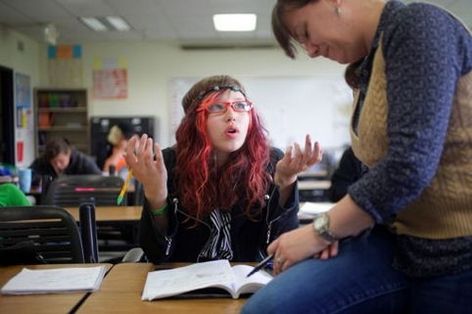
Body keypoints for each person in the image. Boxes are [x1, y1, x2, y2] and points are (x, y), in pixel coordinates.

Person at [243, 0, 472, 313]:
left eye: (306, 32)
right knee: (268, 308)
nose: (310, 51)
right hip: (395, 243)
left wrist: (321, 229)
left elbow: (408, 166)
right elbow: (373, 171)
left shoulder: (417, 25)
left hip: (456, 252)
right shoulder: (366, 66)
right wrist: (343, 227)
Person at [124, 75, 322, 263]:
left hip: (248, 279)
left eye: (240, 106)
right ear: (195, 121)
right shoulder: (168, 163)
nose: (231, 115)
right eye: (217, 107)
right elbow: (157, 255)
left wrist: (286, 182)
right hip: (183, 278)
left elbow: (280, 248)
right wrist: (156, 194)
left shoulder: (271, 161)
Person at [30, 137, 101, 180]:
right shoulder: (45, 159)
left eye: (61, 161)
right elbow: (28, 174)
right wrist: (40, 180)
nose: (58, 165)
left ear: (69, 153)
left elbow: (100, 180)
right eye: (54, 162)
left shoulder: (84, 162)